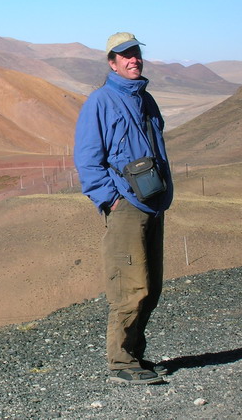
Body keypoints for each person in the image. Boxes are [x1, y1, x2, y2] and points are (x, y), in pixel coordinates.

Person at [74, 32, 173, 385]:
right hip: (126, 207)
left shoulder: (146, 100)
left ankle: (136, 356)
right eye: (125, 56)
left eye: (136, 54)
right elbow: (87, 160)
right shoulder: (100, 102)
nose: (133, 60)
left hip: (153, 204)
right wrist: (111, 200)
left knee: (152, 287)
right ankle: (120, 363)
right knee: (130, 287)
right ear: (111, 63)